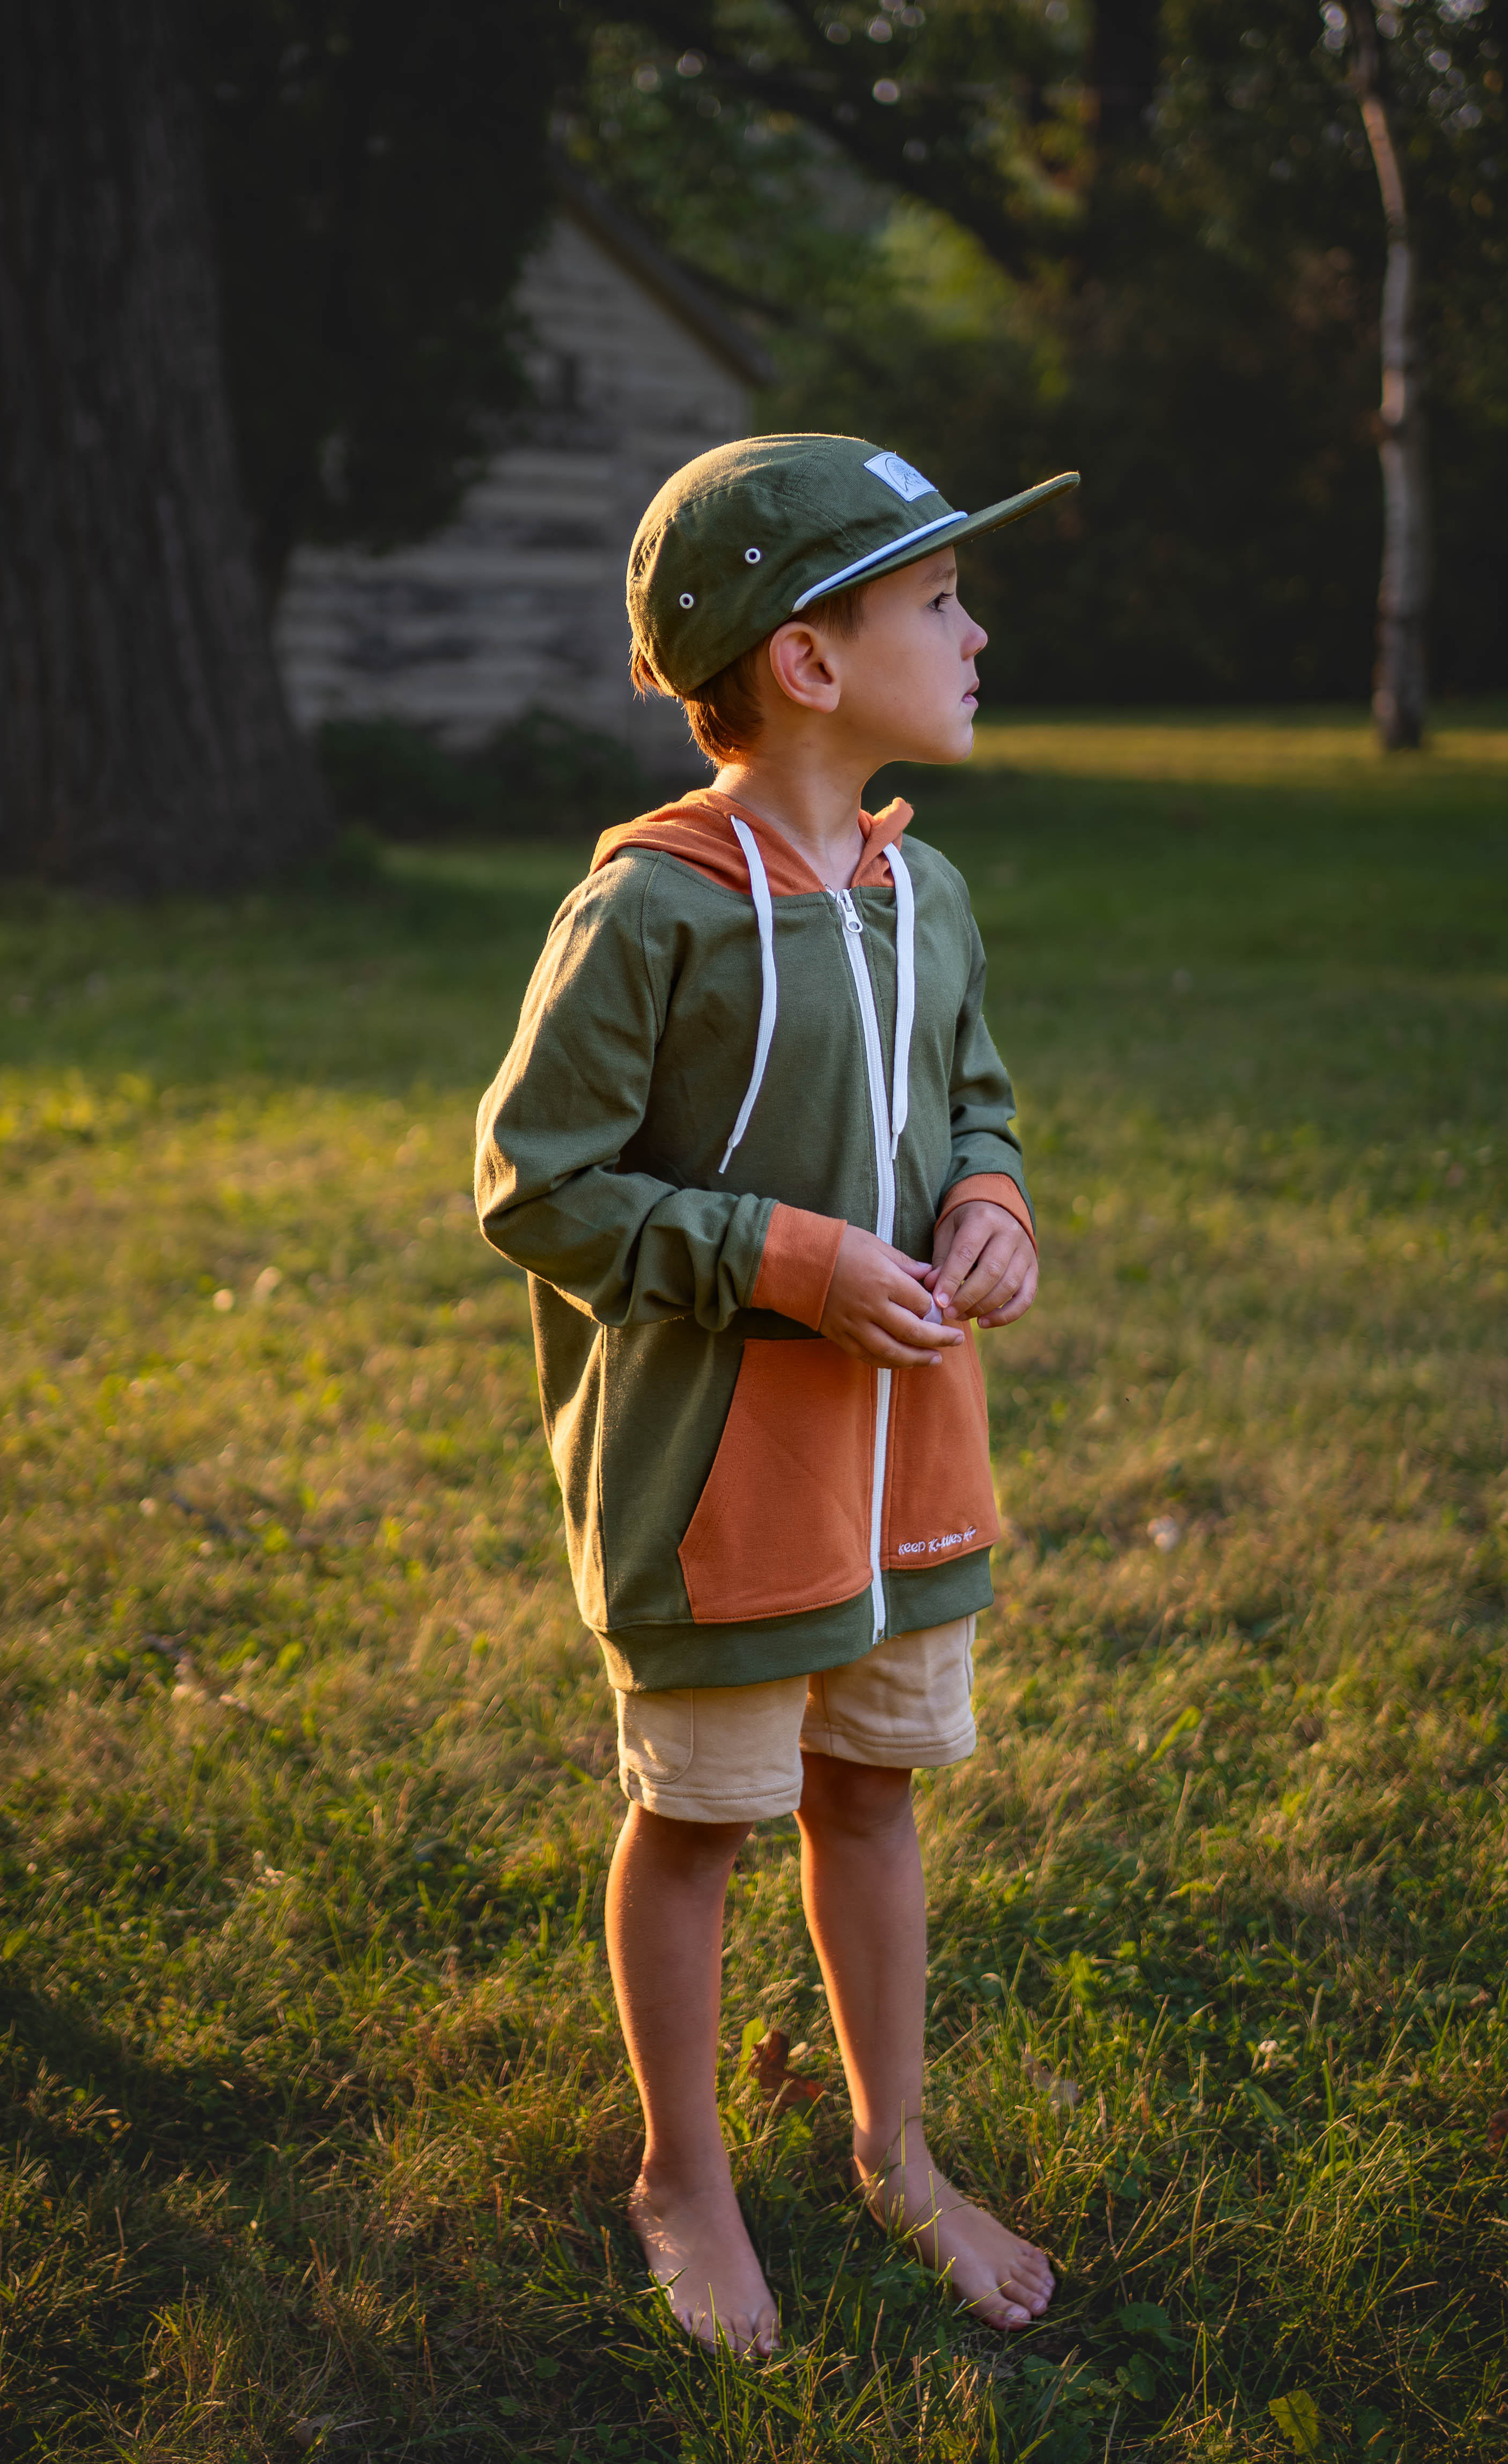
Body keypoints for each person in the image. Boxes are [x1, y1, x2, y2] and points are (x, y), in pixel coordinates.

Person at [476, 433, 1078, 2358]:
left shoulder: (931, 893)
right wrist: (788, 1260)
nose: (975, 633)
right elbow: (536, 1181)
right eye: (937, 602)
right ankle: (687, 2172)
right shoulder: (648, 912)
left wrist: (991, 1197)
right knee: (708, 1814)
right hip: (719, 1475)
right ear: (808, 662)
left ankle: (895, 2149)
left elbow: (970, 1093)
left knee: (871, 1790)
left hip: (904, 1463)